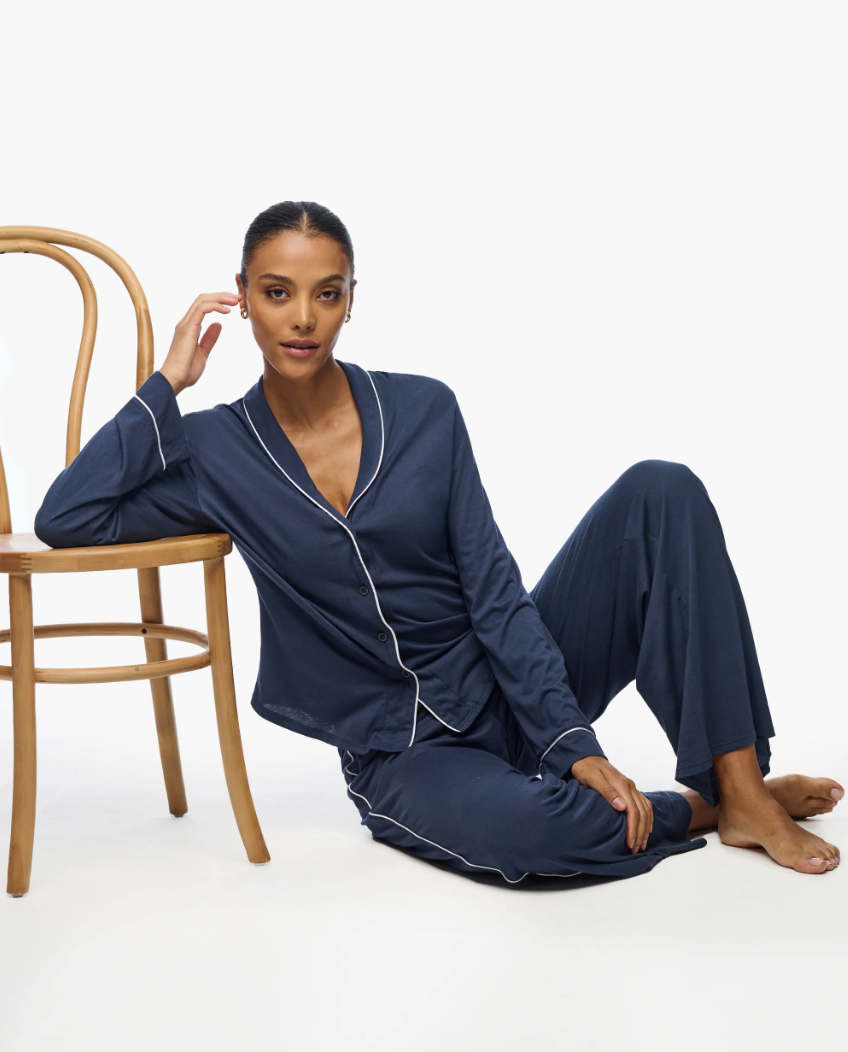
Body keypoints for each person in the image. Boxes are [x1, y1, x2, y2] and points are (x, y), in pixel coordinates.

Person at [34, 201, 842, 884]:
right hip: (404, 754)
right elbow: (69, 515)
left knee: (662, 489)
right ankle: (698, 808)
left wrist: (571, 743)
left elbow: (495, 589)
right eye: (277, 293)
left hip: (507, 686)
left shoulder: (425, 411)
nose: (303, 318)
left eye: (326, 293)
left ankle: (743, 791)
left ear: (352, 300)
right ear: (242, 299)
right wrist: (168, 382)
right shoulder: (217, 451)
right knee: (539, 833)